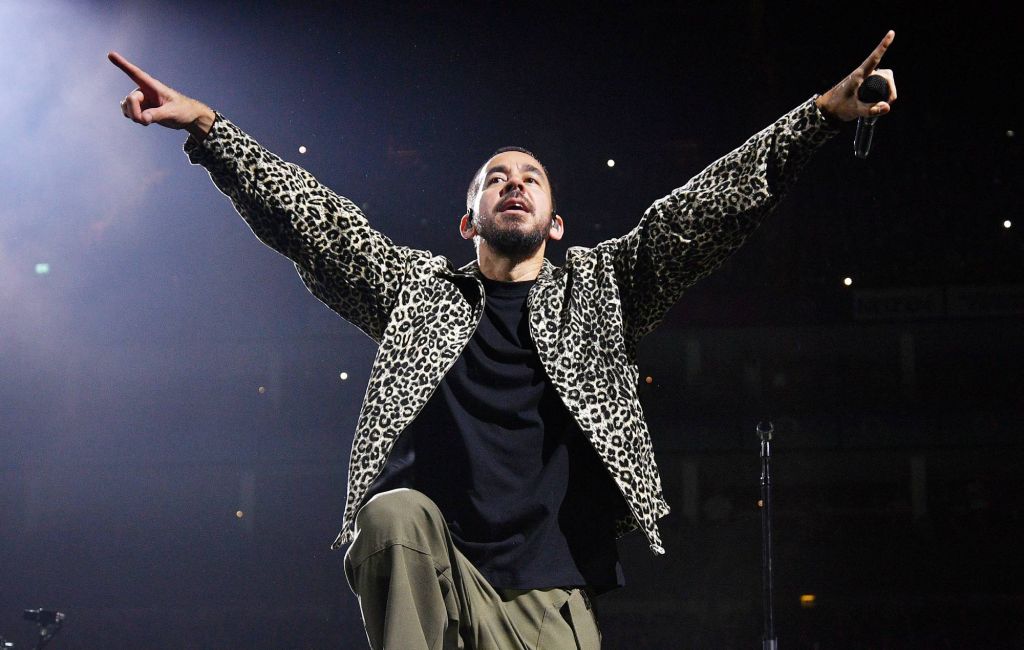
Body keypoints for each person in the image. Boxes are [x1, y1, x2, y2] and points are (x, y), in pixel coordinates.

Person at [110, 30, 897, 650]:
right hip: (438, 572)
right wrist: (210, 130)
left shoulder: (601, 290)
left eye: (530, 176)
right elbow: (317, 225)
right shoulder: (420, 292)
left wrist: (817, 118)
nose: (513, 181)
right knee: (392, 516)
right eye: (495, 176)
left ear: (555, 222)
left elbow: (698, 214)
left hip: (549, 593)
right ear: (470, 220)